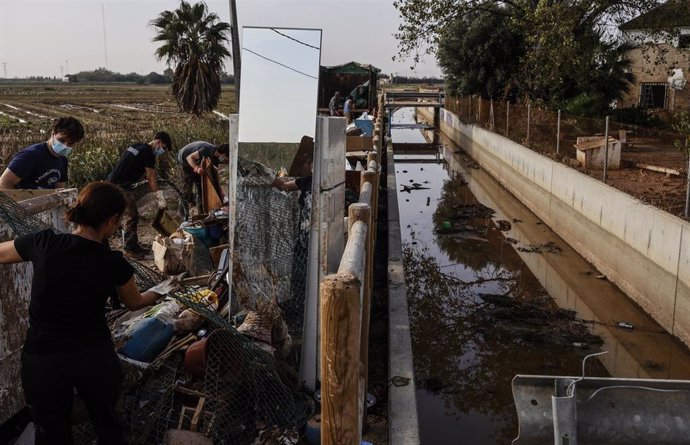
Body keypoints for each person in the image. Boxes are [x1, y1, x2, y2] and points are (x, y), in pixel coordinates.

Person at [0, 181, 164, 444]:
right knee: (108, 426)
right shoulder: (113, 263)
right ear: (111, 220)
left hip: (43, 362)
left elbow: (1, 254)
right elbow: (135, 302)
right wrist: (161, 291)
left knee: (52, 433)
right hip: (94, 358)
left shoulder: (43, 242)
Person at [106, 131, 173, 258]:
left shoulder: (137, 146)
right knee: (132, 215)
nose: (162, 151)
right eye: (163, 148)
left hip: (110, 181)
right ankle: (130, 249)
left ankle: (131, 243)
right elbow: (151, 177)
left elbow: (131, 164)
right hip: (120, 186)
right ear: (158, 142)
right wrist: (159, 197)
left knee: (119, 214)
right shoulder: (149, 153)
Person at [0, 116, 84, 190]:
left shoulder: (63, 160)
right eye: (62, 140)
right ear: (53, 133)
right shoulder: (31, 156)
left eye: (70, 143)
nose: (65, 146)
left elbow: (60, 190)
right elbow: (4, 183)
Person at [176, 141, 229, 215]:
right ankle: (182, 214)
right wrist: (197, 169)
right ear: (223, 154)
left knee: (202, 187)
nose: (226, 161)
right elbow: (189, 158)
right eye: (227, 159)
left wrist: (220, 190)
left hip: (195, 162)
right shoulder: (207, 150)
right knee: (187, 189)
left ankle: (202, 214)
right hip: (184, 159)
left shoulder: (216, 160)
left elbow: (214, 177)